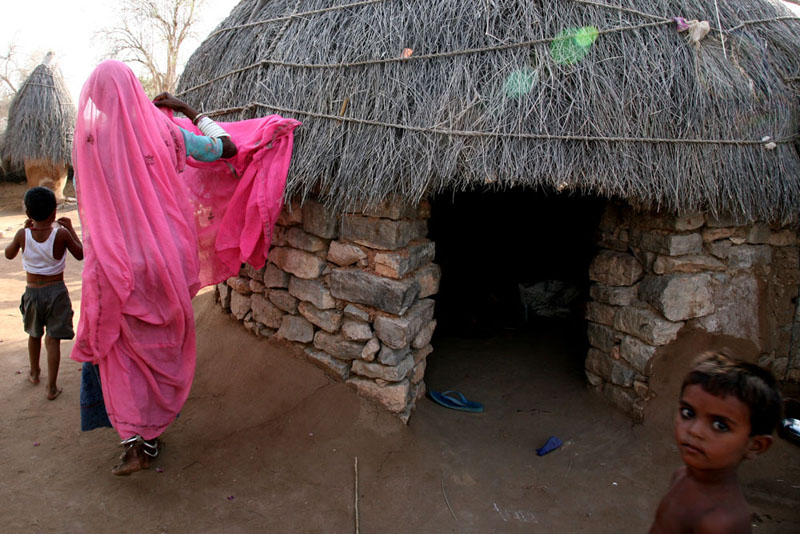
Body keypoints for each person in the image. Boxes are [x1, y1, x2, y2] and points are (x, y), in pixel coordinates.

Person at [72, 60, 299, 476]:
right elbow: (225, 148)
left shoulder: (90, 144)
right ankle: (152, 434)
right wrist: (190, 111)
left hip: (119, 263)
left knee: (124, 354)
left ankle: (136, 441)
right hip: (167, 258)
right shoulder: (165, 133)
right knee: (162, 346)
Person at [648, 352, 783, 534]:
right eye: (688, 413)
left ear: (755, 445)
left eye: (720, 425)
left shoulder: (721, 522)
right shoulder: (681, 476)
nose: (694, 431)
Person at [4, 186, 84, 400]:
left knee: (33, 334)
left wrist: (23, 231)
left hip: (32, 292)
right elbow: (81, 254)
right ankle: (51, 387)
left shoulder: (23, 234)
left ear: (28, 214)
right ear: (54, 213)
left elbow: (8, 254)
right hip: (56, 292)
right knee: (53, 339)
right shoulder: (61, 233)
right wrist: (71, 229)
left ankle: (34, 372)